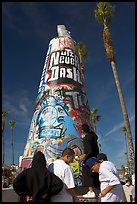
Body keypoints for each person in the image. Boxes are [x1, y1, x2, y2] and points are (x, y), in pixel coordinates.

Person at [79, 123, 100, 196]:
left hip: (90, 158)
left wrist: (83, 156)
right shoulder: (93, 136)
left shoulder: (86, 138)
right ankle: (98, 190)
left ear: (82, 130)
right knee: (95, 174)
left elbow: (89, 150)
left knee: (85, 168)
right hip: (96, 157)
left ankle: (91, 192)